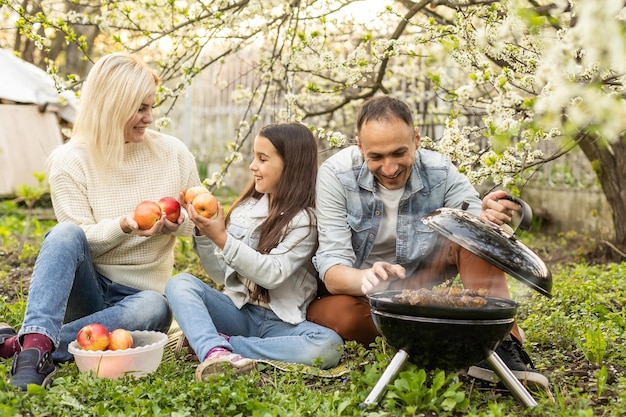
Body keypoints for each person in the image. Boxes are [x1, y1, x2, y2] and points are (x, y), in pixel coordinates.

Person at [307, 95, 549, 389]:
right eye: (376, 157)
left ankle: (500, 343)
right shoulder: (335, 176)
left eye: (399, 153)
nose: (389, 167)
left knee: (473, 236)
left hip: (417, 281)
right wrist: (368, 278)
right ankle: (449, 335)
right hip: (362, 292)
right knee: (344, 319)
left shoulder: (440, 171)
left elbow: (475, 219)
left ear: (417, 139)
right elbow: (332, 268)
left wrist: (485, 215)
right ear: (359, 147)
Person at [0, 52, 201, 390]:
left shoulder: (173, 154)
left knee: (156, 305)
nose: (149, 118)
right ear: (112, 107)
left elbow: (196, 225)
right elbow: (79, 240)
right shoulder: (70, 161)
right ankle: (35, 354)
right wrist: (123, 226)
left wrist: (178, 221)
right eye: (140, 108)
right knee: (64, 233)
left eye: (151, 106)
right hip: (89, 291)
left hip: (139, 302)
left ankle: (29, 346)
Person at [165, 122, 344, 382]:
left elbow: (272, 274)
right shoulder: (245, 211)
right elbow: (219, 274)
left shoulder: (306, 221)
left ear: (290, 165)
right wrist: (205, 234)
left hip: (281, 324)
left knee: (329, 345)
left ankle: (219, 346)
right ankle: (215, 349)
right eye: (253, 156)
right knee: (180, 283)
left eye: (262, 159)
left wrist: (222, 238)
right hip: (238, 311)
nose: (252, 166)